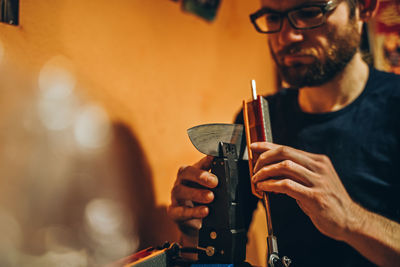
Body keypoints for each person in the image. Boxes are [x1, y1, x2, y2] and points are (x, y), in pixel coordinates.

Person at [167, 0, 400, 266]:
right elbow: (223, 254)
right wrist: (197, 232)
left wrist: (352, 220)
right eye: (272, 17)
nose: (286, 36)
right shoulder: (256, 122)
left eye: (310, 12)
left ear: (365, 7)